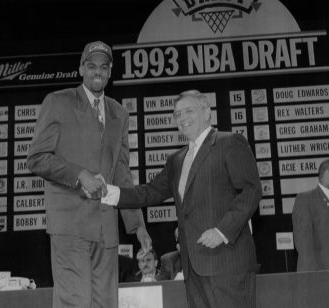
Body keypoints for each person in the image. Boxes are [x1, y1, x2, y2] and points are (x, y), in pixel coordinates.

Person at [102, 90, 262, 308]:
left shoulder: (230, 142)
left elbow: (251, 190)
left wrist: (222, 231)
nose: (182, 118)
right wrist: (107, 192)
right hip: (192, 268)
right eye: (177, 114)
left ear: (207, 112)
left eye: (189, 111)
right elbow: (149, 192)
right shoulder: (176, 160)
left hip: (227, 262)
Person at [26, 40, 151, 308]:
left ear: (110, 72)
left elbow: (121, 173)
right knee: (75, 302)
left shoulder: (119, 112)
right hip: (69, 223)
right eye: (91, 65)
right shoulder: (58, 102)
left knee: (106, 303)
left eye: (103, 67)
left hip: (106, 226)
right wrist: (78, 174)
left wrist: (137, 225)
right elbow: (36, 158)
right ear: (81, 68)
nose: (98, 71)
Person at [292, 158, 329, 272]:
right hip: (320, 275)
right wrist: (311, 278)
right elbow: (304, 245)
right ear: (327, 173)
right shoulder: (305, 200)